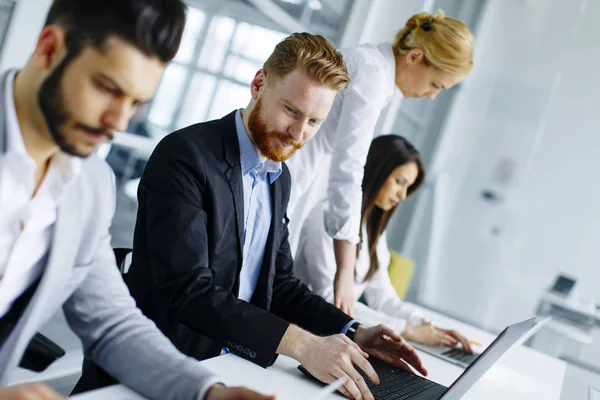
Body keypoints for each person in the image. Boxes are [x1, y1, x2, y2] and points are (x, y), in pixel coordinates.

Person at [78, 33, 429, 400]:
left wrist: (353, 329)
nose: (298, 134)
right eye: (292, 111)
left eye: (314, 122)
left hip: (232, 366)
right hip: (166, 371)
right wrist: (305, 346)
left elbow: (279, 283)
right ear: (258, 84)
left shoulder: (280, 178)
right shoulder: (186, 157)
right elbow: (190, 292)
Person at [0, 0, 272, 399]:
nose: (119, 122)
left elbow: (112, 323)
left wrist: (208, 391)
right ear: (48, 50)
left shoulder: (90, 185)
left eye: (136, 102)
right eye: (108, 89)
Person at [286, 11, 474, 317]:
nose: (431, 97)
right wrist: (345, 271)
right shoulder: (372, 73)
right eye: (436, 84)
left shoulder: (377, 72)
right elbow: (348, 170)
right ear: (415, 56)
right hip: (284, 172)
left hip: (291, 176)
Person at [295, 135, 472, 351]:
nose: (403, 195)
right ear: (378, 170)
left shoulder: (371, 227)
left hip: (337, 337)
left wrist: (425, 325)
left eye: (408, 187)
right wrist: (406, 330)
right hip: (307, 333)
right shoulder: (325, 216)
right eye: (399, 182)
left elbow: (382, 295)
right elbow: (330, 300)